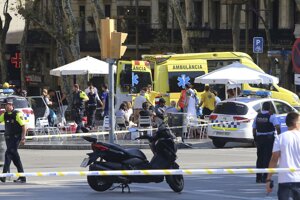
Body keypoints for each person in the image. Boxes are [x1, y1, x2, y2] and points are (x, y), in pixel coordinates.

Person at [266, 112, 300, 199]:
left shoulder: (280, 137)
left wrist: (268, 179)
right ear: (296, 124)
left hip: (285, 180)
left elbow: (274, 158)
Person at [252, 102, 280, 183]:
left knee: (259, 158)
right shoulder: (271, 116)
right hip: (268, 138)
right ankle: (265, 177)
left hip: (259, 138)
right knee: (267, 158)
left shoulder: (258, 116)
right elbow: (277, 127)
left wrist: (255, 138)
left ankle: (258, 177)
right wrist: (280, 137)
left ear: (263, 108)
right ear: (269, 108)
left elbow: (254, 129)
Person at [0, 98, 27, 183]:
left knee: (8, 153)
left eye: (6, 105)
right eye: (3, 105)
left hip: (16, 137)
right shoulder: (4, 115)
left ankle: (4, 175)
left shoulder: (17, 114)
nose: (4, 106)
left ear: (11, 105)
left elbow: (24, 126)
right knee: (15, 157)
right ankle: (22, 177)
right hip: (8, 138)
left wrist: (23, 138)